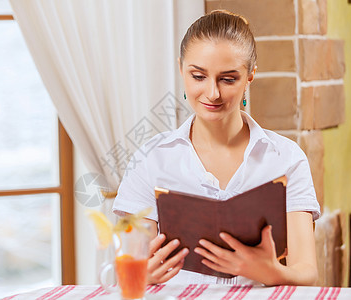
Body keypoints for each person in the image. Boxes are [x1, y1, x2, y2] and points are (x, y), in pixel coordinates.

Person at [112, 10, 320, 286]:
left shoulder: (287, 159)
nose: (212, 93)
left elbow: (307, 272)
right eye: (198, 76)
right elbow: (131, 268)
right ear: (181, 69)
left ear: (250, 76)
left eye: (228, 79)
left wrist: (272, 273)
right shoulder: (150, 160)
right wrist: (141, 276)